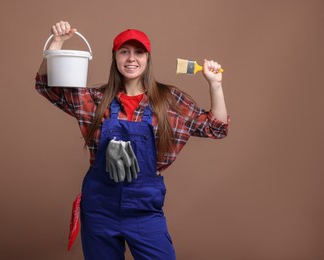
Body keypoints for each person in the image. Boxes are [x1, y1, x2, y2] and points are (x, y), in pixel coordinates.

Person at [35, 21, 229, 260]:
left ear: (148, 58)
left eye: (138, 52)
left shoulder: (169, 100)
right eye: (124, 51)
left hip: (144, 210)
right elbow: (46, 85)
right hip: (99, 209)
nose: (131, 58)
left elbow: (216, 128)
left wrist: (215, 85)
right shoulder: (96, 100)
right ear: (115, 57)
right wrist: (57, 43)